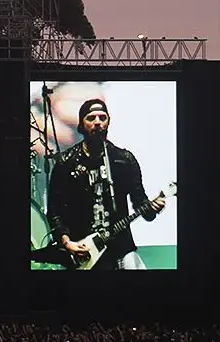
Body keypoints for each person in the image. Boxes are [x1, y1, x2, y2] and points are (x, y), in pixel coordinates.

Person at [43, 99, 165, 270]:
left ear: (108, 122)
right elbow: (54, 210)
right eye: (91, 118)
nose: (98, 123)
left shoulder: (124, 160)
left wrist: (152, 208)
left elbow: (141, 204)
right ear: (81, 125)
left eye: (102, 118)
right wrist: (67, 242)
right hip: (84, 250)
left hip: (121, 248)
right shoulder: (66, 162)